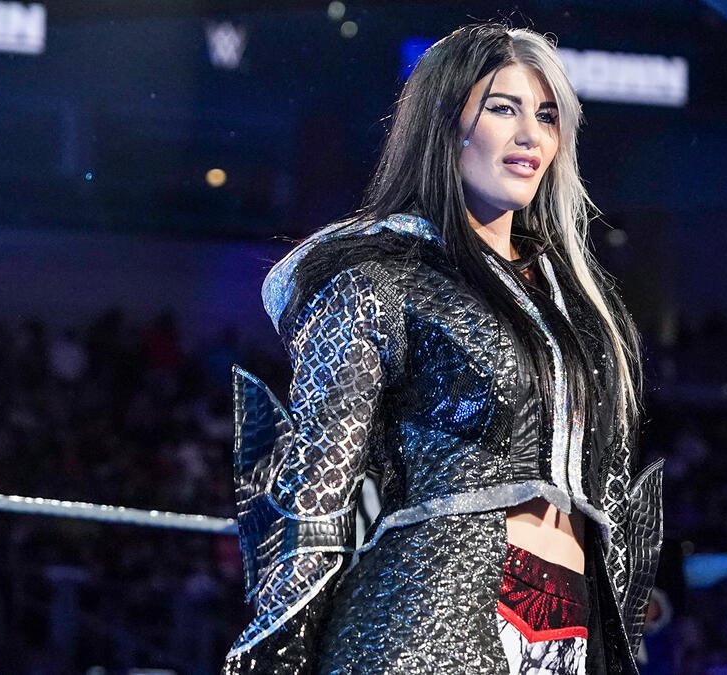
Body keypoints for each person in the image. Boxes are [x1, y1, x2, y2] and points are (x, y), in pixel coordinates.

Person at [223, 22, 664, 675]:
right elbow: (318, 485)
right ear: (445, 122)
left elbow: (613, 493)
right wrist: (277, 650)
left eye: (546, 117)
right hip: (423, 620)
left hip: (569, 633)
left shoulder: (582, 310)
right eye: (503, 109)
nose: (531, 135)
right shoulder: (378, 280)